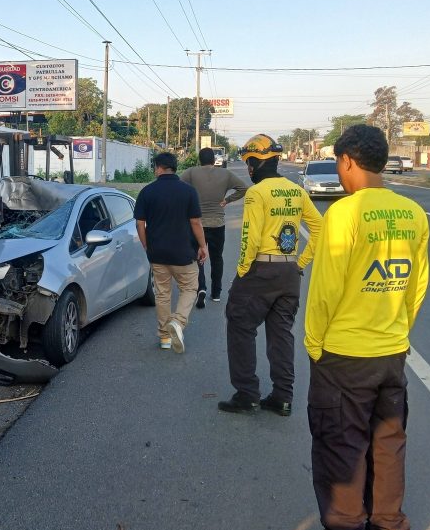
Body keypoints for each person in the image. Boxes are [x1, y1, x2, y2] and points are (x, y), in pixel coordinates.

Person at [301, 124, 429, 530]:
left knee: (341, 443)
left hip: (344, 355)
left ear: (347, 161)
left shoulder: (344, 213)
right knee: (388, 441)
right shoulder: (413, 213)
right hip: (391, 353)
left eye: (338, 164)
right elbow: (417, 285)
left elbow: (326, 289)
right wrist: (399, 333)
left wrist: (314, 343)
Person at [219, 134, 322, 416]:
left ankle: (247, 394)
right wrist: (300, 263)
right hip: (289, 272)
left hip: (260, 270)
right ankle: (282, 397)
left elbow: (250, 239)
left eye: (249, 163)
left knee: (240, 326)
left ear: (255, 163)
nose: (248, 168)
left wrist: (242, 273)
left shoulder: (257, 193)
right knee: (281, 334)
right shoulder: (296, 191)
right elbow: (320, 228)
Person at [133, 152, 209, 353]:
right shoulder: (188, 191)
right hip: (184, 253)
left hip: (157, 253)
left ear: (158, 168)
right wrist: (203, 246)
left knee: (163, 294)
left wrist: (147, 246)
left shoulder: (147, 191)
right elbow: (195, 222)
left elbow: (140, 224)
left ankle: (165, 337)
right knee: (190, 288)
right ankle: (178, 321)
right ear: (174, 168)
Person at [180, 147, 247, 307]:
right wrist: (227, 200)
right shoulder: (225, 174)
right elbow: (244, 188)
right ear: (214, 160)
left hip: (197, 224)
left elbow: (178, 187)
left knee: (198, 257)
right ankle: (216, 293)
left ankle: (201, 288)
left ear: (199, 160)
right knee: (217, 258)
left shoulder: (191, 172)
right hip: (218, 223)